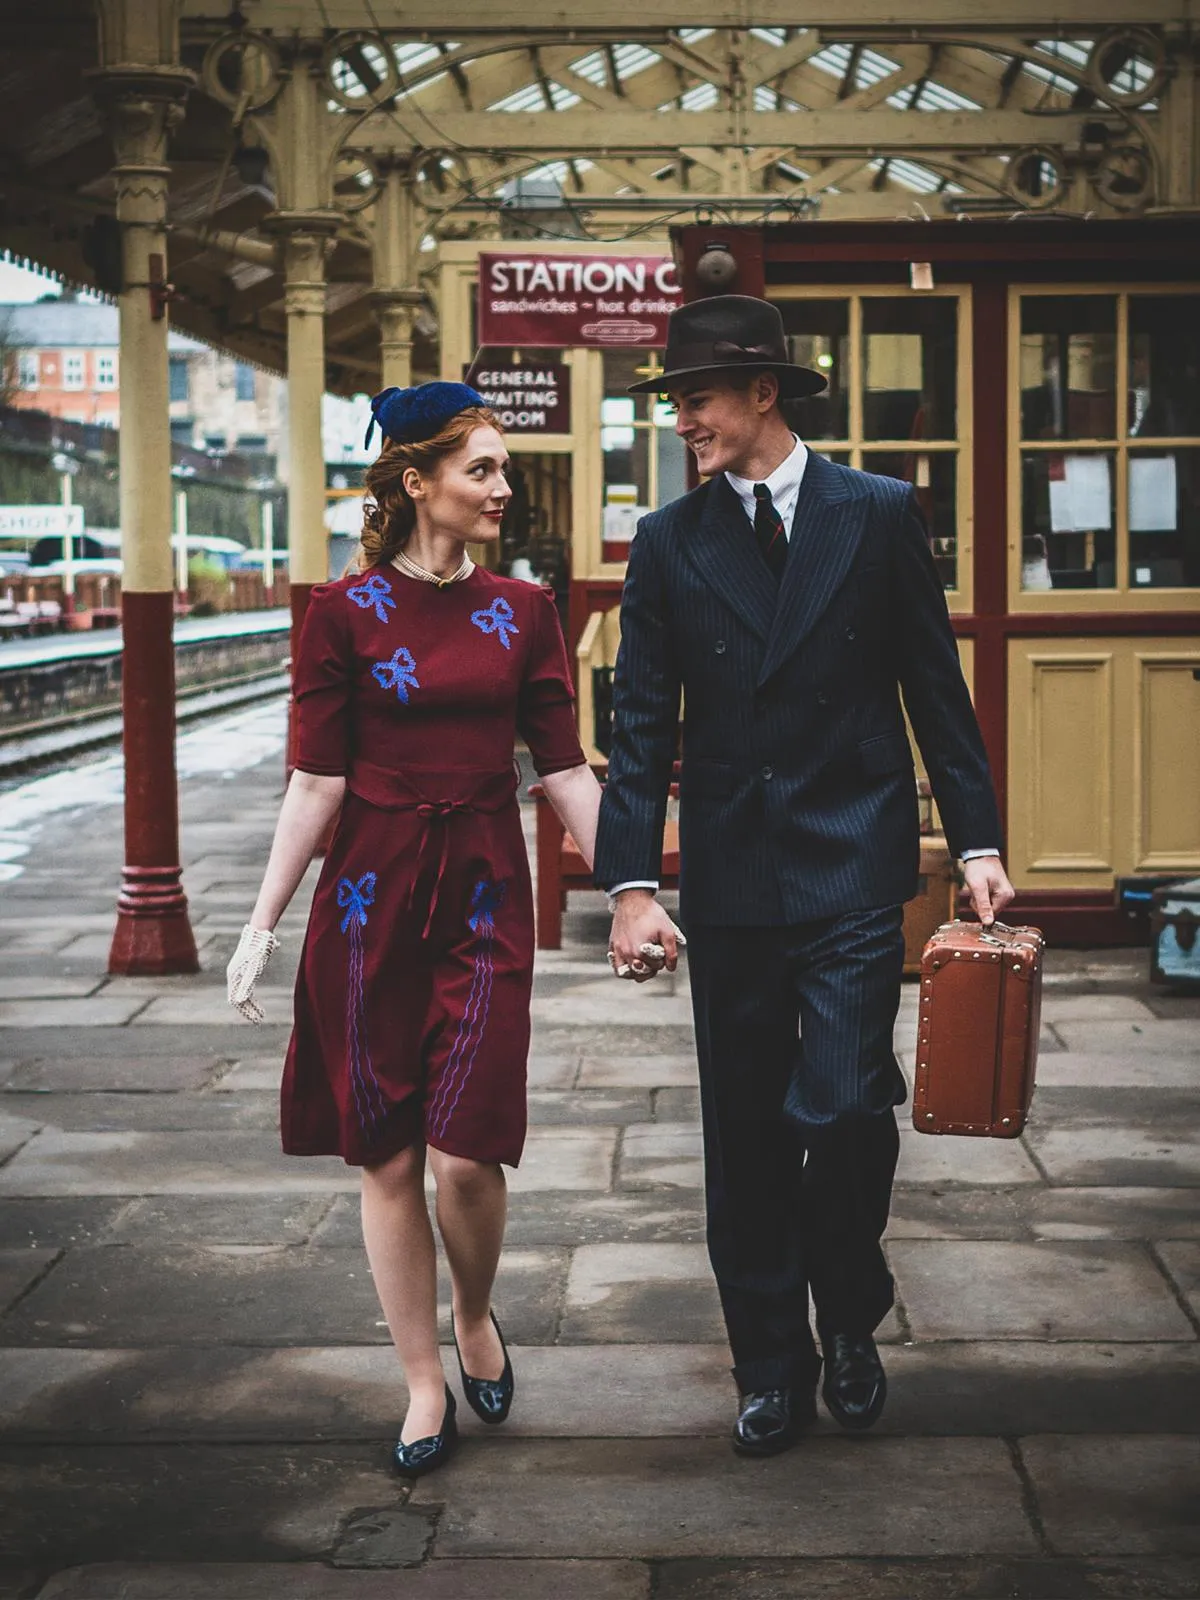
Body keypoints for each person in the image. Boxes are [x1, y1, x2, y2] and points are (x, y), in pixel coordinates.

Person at [594, 295, 1015, 1457]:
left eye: (700, 399)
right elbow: (640, 729)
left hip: (850, 859)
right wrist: (631, 882)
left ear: (764, 393)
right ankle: (770, 1359)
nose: (685, 421)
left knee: (843, 1105)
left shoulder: (876, 514)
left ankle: (852, 1317)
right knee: (746, 1133)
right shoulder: (671, 541)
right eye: (676, 402)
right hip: (731, 875)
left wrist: (976, 845)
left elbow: (937, 687)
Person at [227, 382, 602, 1478]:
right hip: (366, 905)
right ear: (416, 481)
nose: (502, 486)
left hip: (486, 892)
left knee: (467, 1154)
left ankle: (474, 1311)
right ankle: (424, 1380)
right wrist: (260, 924)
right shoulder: (339, 615)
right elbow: (314, 783)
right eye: (481, 468)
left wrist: (634, 883)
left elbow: (566, 772)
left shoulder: (526, 612)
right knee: (386, 1155)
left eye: (501, 466)